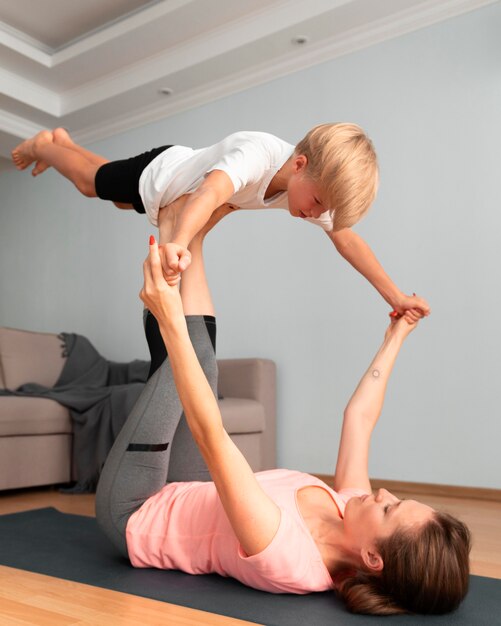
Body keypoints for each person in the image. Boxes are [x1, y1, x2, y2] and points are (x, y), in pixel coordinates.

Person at [95, 212, 470, 616]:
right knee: (200, 359)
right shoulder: (350, 510)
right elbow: (359, 418)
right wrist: (396, 335)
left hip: (136, 514)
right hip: (191, 487)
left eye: (388, 509)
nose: (383, 494)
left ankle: (177, 227)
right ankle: (194, 229)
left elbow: (212, 436)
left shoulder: (286, 553)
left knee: (189, 358)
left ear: (372, 559)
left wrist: (169, 316)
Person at [12, 125, 429, 319]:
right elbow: (210, 193)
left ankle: (68, 142)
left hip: (165, 180)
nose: (318, 215)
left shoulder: (311, 191)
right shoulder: (257, 154)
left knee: (122, 199)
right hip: (162, 172)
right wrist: (179, 242)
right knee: (91, 185)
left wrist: (394, 296)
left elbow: (347, 240)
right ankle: (45, 148)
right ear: (299, 165)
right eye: (318, 202)